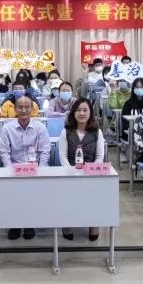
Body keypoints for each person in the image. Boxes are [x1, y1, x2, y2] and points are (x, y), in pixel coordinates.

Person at [0, 95, 51, 241]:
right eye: (20, 107)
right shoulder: (7, 128)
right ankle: (15, 224)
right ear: (15, 109)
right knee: (13, 197)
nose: (23, 110)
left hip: (36, 169)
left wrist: (40, 170)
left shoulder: (40, 127)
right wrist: (9, 171)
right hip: (14, 169)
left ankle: (29, 223)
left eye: (27, 107)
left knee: (32, 196)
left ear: (32, 109)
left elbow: (45, 151)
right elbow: (4, 152)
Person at [57, 98, 106, 241]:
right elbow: (63, 156)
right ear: (73, 113)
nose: (82, 113)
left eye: (85, 110)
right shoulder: (66, 132)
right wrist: (71, 172)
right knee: (68, 194)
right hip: (70, 173)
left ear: (90, 113)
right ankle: (68, 224)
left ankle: (93, 223)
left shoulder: (97, 132)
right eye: (78, 110)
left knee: (94, 194)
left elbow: (99, 157)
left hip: (91, 173)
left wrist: (90, 172)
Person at [120, 78, 143, 143]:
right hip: (130, 134)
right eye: (137, 87)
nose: (139, 89)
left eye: (141, 87)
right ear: (133, 89)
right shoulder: (128, 104)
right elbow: (125, 123)